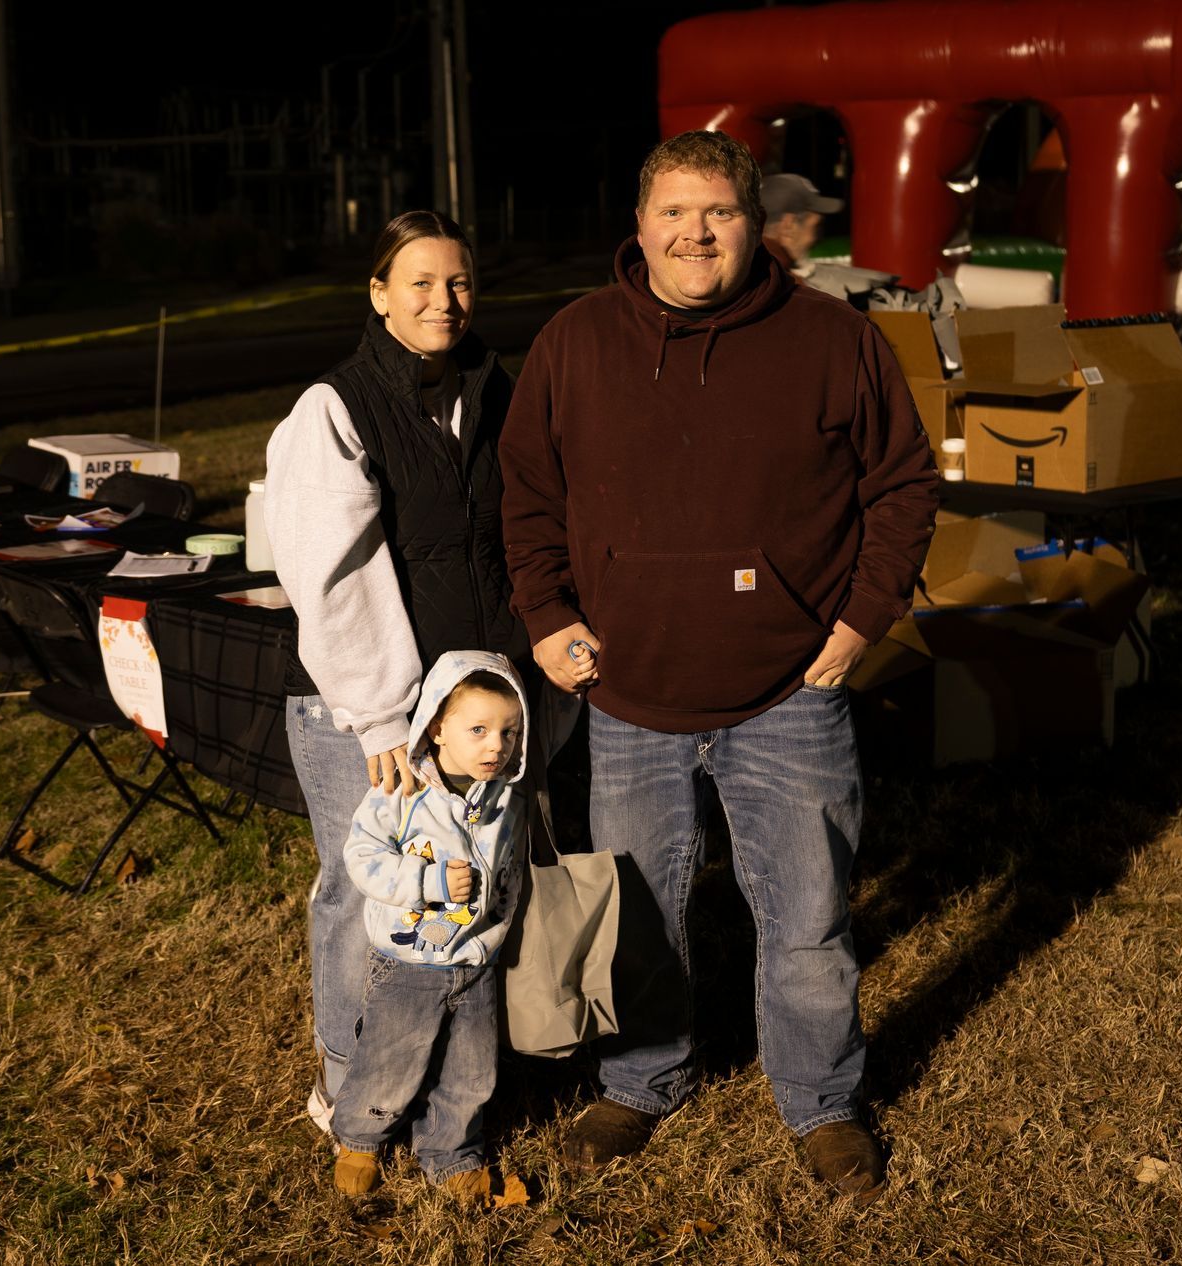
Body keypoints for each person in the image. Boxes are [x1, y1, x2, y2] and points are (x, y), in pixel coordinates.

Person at [498, 129, 941, 1203]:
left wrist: (858, 624)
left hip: (791, 689)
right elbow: (526, 495)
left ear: (757, 225)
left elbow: (903, 486)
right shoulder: (575, 340)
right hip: (632, 693)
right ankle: (644, 1078)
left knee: (805, 918)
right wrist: (548, 616)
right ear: (640, 225)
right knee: (641, 912)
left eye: (720, 214)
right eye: (674, 214)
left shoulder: (833, 340)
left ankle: (824, 1101)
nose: (696, 234)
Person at [263, 211, 521, 1139]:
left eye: (457, 282)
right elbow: (328, 572)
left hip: (467, 710)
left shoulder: (492, 389)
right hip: (366, 707)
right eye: (417, 283)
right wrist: (380, 718)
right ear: (377, 295)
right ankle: (349, 1087)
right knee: (365, 890)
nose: (441, 302)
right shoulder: (333, 407)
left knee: (466, 884)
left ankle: (453, 1081)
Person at [329, 651, 528, 1201]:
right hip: (407, 961)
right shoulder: (403, 792)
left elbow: (510, 869)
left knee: (470, 1069)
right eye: (479, 729)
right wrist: (428, 882)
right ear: (438, 729)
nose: (496, 745)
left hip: (475, 959)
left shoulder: (507, 798)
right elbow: (363, 856)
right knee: (392, 1057)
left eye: (509, 732)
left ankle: (451, 1150)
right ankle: (361, 1139)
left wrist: (499, 928)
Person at [760, 171, 843, 272]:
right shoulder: (782, 283)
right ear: (788, 227)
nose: (816, 239)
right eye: (815, 227)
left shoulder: (747, 268)